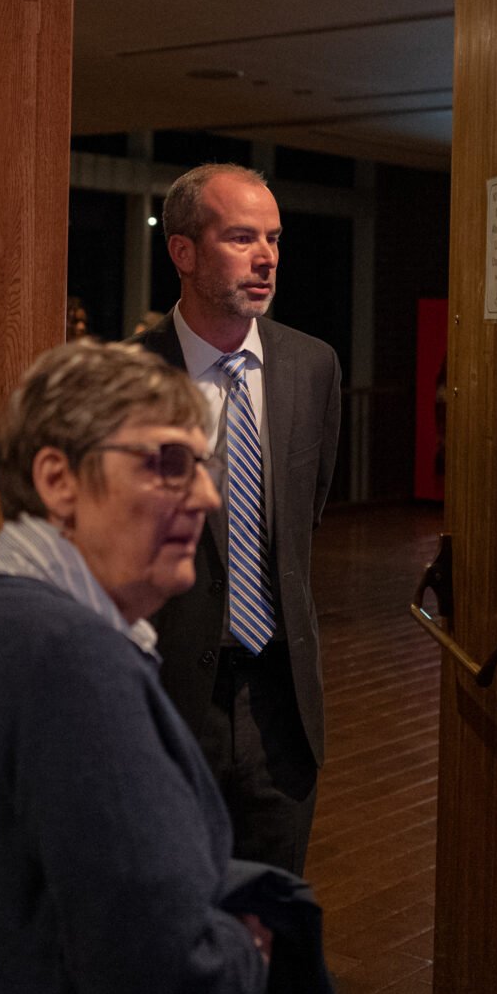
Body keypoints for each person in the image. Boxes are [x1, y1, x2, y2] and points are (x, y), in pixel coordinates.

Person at [0, 339, 270, 994]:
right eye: (171, 464)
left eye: (206, 465)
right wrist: (247, 954)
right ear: (58, 480)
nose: (209, 496)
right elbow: (162, 970)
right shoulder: (67, 658)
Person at [135, 164, 342, 876]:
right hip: (164, 700)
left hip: (279, 703)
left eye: (275, 239)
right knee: (167, 917)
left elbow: (305, 510)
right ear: (184, 253)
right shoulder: (127, 379)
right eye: (242, 237)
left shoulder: (312, 367)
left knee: (271, 920)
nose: (267, 258)